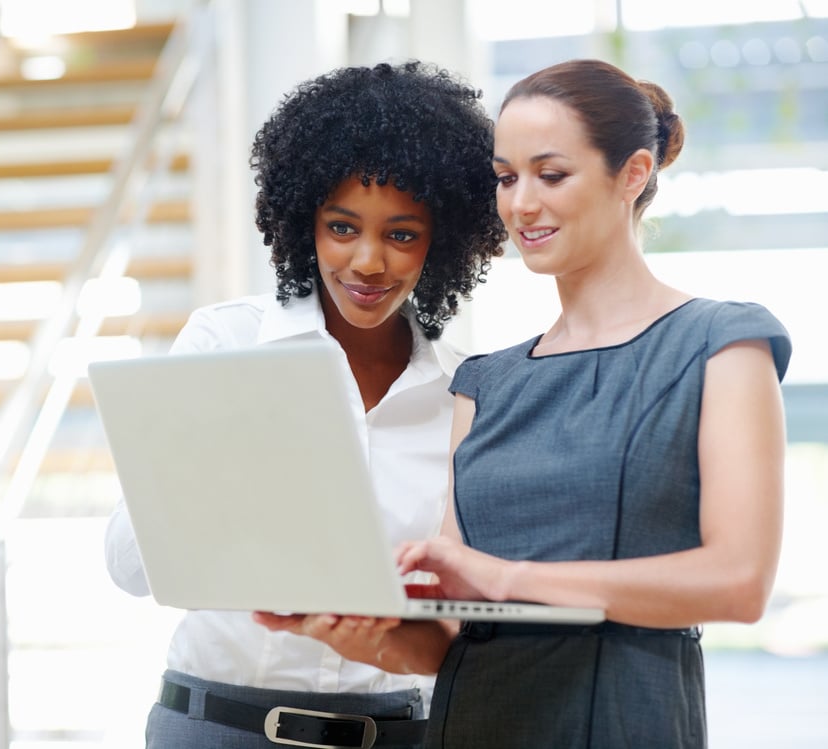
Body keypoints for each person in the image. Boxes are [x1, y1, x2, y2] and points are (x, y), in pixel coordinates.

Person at [256, 58, 792, 748]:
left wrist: (505, 577)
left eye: (552, 174)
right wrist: (360, 629)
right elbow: (446, 642)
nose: (520, 204)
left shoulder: (719, 344)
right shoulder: (484, 383)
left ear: (631, 174)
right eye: (506, 178)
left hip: (625, 719)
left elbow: (738, 580)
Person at [103, 60, 506, 748]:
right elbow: (131, 566)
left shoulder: (468, 393)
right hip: (217, 726)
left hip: (401, 733)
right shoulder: (228, 339)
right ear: (305, 222)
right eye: (342, 227)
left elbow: (461, 616)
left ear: (442, 240)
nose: (369, 261)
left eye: (402, 233)